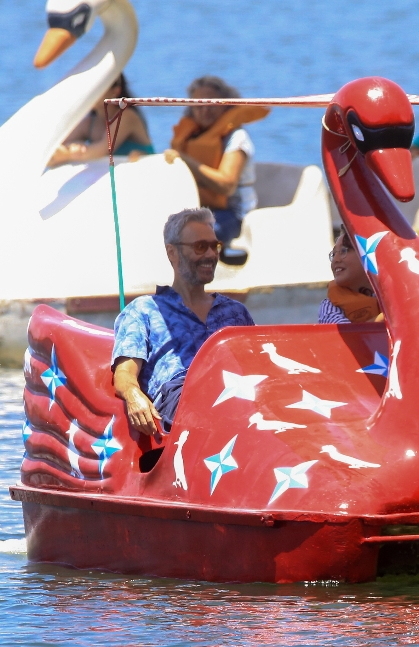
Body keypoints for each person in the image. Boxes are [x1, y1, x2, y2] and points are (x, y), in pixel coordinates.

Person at [112, 208, 255, 436]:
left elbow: (257, 367)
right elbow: (124, 373)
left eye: (214, 246)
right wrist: (133, 395)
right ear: (172, 252)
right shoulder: (144, 310)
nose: (210, 255)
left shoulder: (235, 312)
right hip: (180, 398)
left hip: (238, 394)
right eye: (200, 247)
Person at [165, 76, 270, 244]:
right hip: (199, 209)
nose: (205, 109)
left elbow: (226, 186)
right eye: (199, 105)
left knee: (197, 235)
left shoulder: (237, 138)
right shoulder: (189, 137)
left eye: (212, 103)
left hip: (233, 214)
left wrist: (186, 160)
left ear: (226, 105)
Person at [318, 228, 419, 324]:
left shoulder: (396, 291)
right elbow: (341, 335)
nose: (336, 259)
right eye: (334, 254)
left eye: (344, 251)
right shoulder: (330, 306)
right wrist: (385, 319)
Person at [49, 73, 154, 166]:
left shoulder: (126, 116)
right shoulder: (90, 123)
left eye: (97, 88)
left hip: (147, 176)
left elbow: (103, 149)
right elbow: (54, 147)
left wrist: (68, 154)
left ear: (115, 92)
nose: (90, 93)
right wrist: (72, 147)